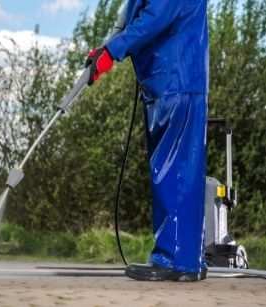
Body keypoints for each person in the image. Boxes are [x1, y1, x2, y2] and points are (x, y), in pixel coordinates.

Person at [85, 0, 209, 281]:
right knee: (178, 172)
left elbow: (155, 18)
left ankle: (175, 260)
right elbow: (136, 17)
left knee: (174, 171)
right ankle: (187, 259)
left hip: (176, 80)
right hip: (169, 82)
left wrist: (112, 51)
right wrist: (107, 48)